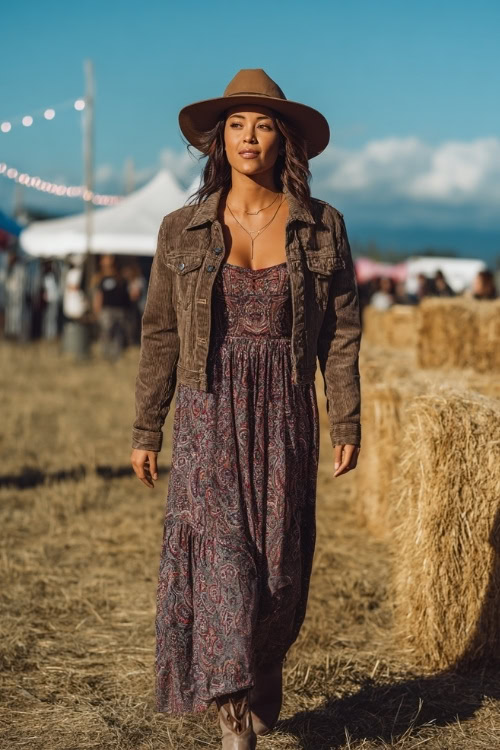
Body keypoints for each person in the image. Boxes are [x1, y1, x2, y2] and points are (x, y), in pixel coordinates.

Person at [130, 68, 362, 749]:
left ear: (284, 139)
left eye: (262, 124)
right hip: (207, 411)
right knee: (223, 562)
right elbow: (161, 333)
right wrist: (148, 426)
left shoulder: (323, 228)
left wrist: (345, 418)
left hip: (286, 412)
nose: (248, 136)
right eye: (235, 124)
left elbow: (341, 334)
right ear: (218, 140)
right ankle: (233, 723)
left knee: (280, 571)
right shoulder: (182, 229)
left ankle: (262, 673)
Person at [92, 254, 131, 360]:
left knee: (118, 334)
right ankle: (105, 355)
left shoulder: (121, 276)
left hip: (120, 311)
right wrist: (97, 311)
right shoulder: (99, 277)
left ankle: (116, 357)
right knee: (106, 332)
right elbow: (98, 296)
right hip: (106, 311)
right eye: (106, 258)